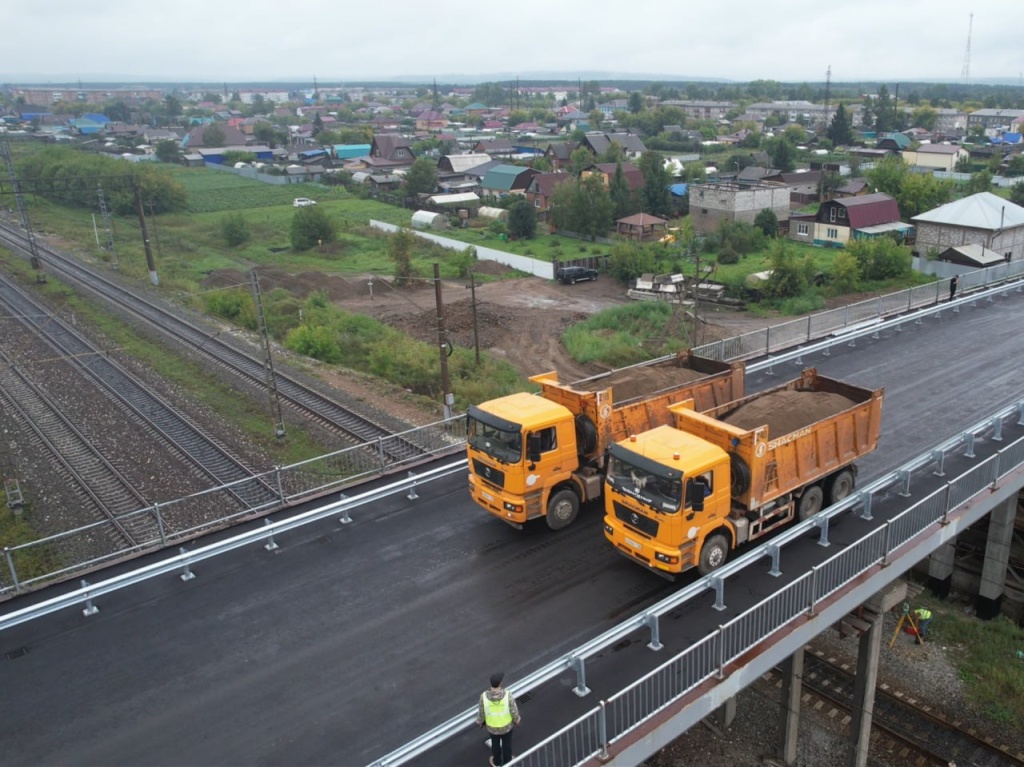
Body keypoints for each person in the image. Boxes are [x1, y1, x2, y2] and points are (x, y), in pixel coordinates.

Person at [477, 672, 521, 766]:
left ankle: (496, 763)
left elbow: (481, 712)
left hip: (492, 727)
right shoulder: (507, 694)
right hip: (507, 726)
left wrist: (480, 722)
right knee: (507, 744)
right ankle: (508, 762)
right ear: (500, 683)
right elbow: (513, 710)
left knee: (495, 745)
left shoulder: (483, 696)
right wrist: (517, 720)